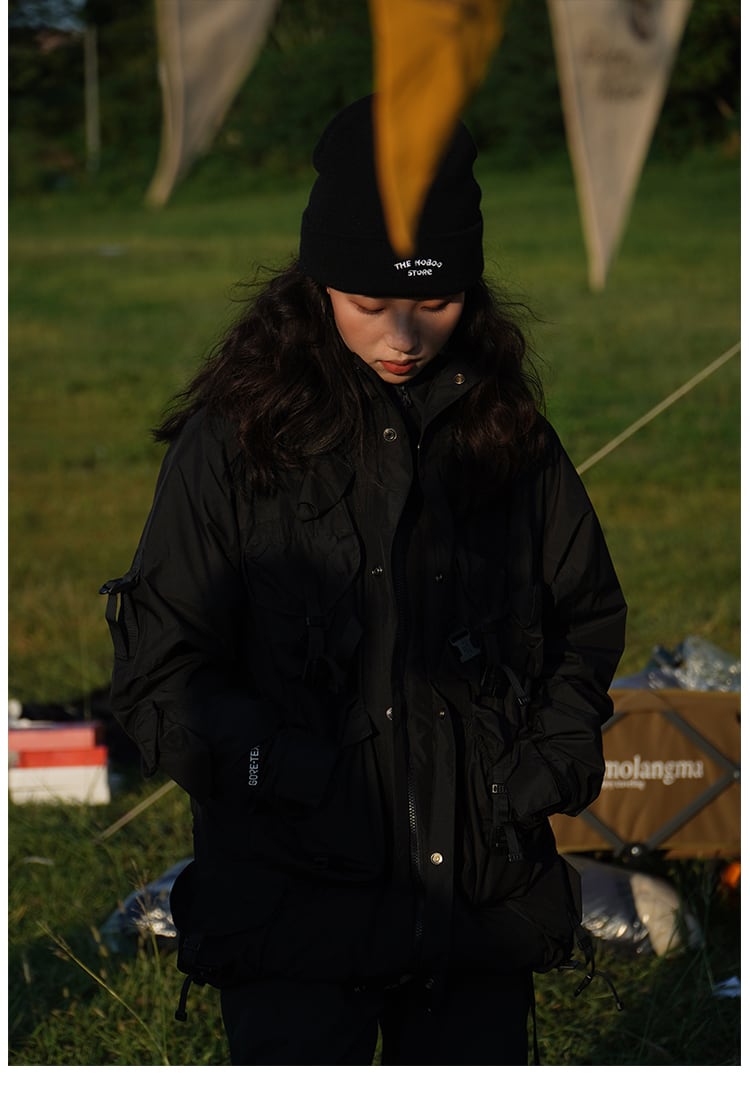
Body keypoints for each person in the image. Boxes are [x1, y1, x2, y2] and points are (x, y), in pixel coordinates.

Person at [102, 95, 627, 1066]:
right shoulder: (235, 443)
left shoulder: (508, 433)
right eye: (369, 304)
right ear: (318, 285)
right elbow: (159, 670)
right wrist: (279, 773)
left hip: (480, 901)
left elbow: (583, 618)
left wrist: (540, 769)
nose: (404, 337)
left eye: (435, 302)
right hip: (289, 904)